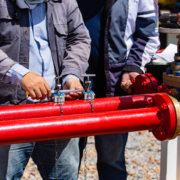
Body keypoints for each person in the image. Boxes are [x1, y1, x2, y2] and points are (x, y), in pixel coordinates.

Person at [0, 0, 90, 179]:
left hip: (57, 110)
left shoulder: (65, 2)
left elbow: (79, 38)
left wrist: (71, 76)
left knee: (64, 176)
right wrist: (19, 74)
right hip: (9, 111)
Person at [77, 0, 160, 179]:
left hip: (114, 87)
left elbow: (148, 34)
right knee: (65, 162)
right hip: (74, 84)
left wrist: (133, 66)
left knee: (112, 161)